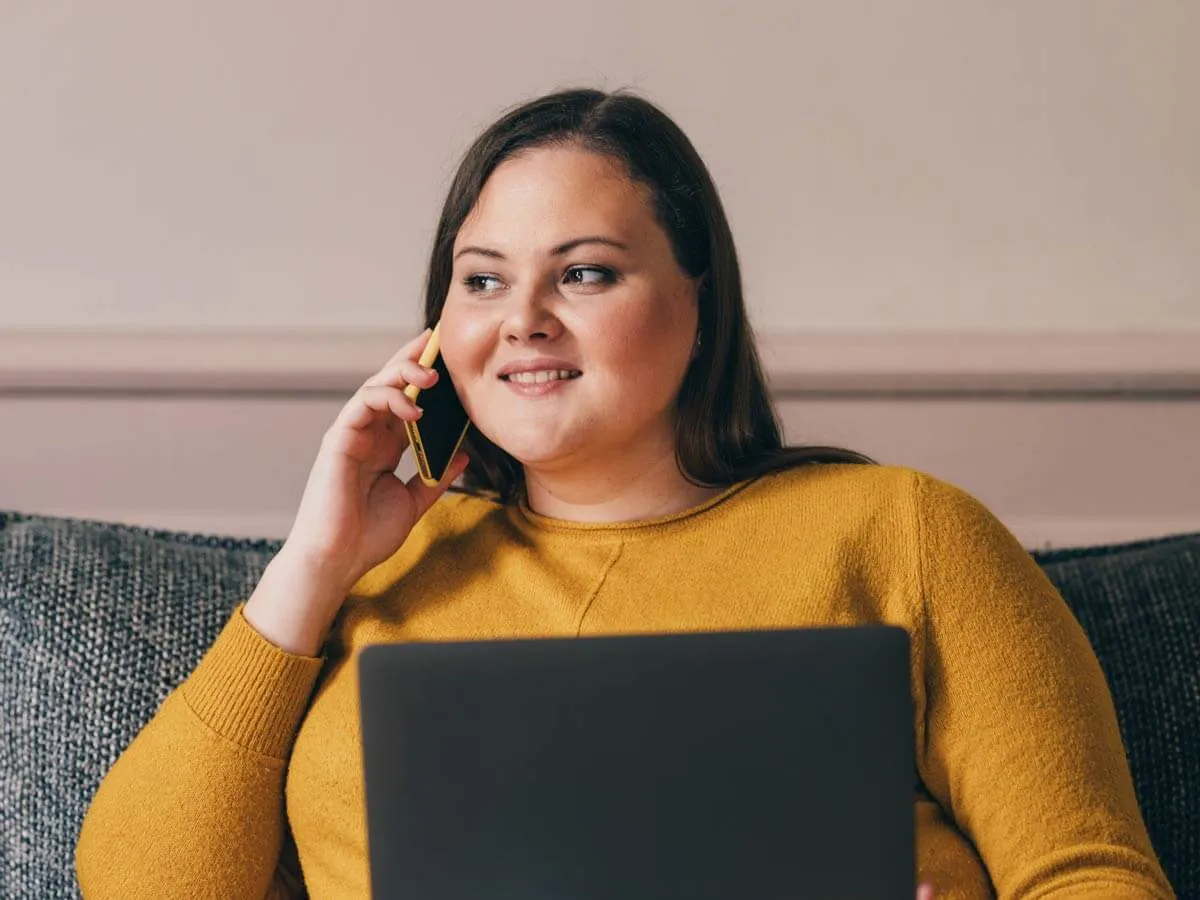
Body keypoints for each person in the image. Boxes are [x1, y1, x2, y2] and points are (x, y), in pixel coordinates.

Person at [75, 88, 1173, 900]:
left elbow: (1093, 875)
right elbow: (137, 889)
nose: (524, 320)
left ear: (700, 303)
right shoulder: (373, 575)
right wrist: (310, 569)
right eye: (483, 278)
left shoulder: (904, 532)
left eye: (586, 271)